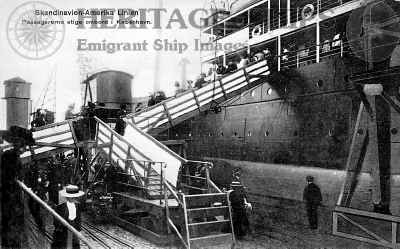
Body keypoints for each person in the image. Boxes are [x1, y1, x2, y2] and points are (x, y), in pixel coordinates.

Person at [1, 126, 35, 249]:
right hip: (9, 198)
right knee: (11, 226)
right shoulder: (9, 156)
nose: (25, 148)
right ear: (17, 143)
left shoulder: (12, 156)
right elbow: (8, 178)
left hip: (12, 196)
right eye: (24, 145)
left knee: (11, 227)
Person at [52, 185, 84, 249]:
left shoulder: (77, 206)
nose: (73, 198)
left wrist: (78, 230)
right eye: (70, 197)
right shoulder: (60, 207)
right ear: (67, 197)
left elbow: (78, 219)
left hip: (74, 233)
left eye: (74, 197)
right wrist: (63, 225)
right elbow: (56, 222)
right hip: (63, 234)